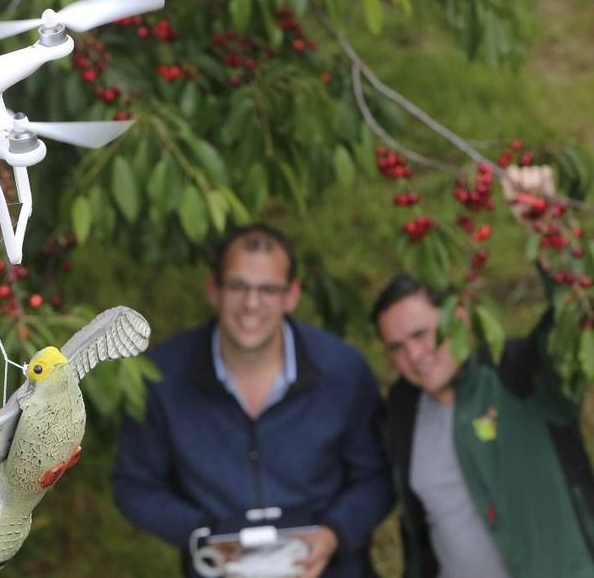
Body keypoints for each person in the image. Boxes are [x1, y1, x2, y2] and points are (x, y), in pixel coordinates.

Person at [112, 224, 394, 578]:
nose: (251, 304)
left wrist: (334, 533)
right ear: (214, 290)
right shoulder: (162, 378)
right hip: (221, 570)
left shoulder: (343, 371)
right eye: (238, 286)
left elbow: (378, 476)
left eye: (268, 289)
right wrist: (200, 531)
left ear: (291, 295)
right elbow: (135, 485)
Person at [372, 165, 594, 578]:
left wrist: (549, 226)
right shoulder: (404, 410)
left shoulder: (522, 373)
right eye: (397, 348)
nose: (415, 356)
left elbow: (577, 315)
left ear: (458, 315)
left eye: (423, 334)